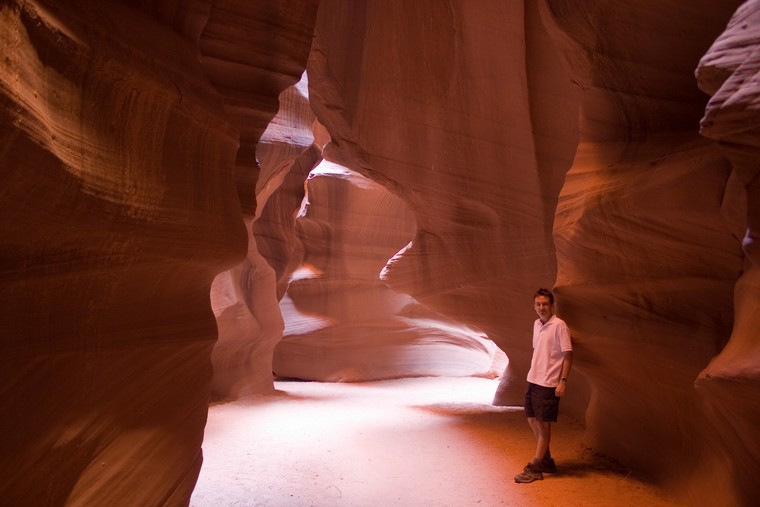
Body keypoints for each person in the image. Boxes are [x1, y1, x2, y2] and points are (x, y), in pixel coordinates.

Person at [514, 288, 573, 484]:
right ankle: (547, 461)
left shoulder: (560, 326)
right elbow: (538, 351)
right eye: (538, 304)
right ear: (534, 306)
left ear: (552, 305)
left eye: (545, 304)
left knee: (543, 424)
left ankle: (537, 466)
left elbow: (568, 355)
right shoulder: (536, 324)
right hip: (533, 379)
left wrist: (562, 381)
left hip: (548, 383)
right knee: (532, 420)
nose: (541, 307)